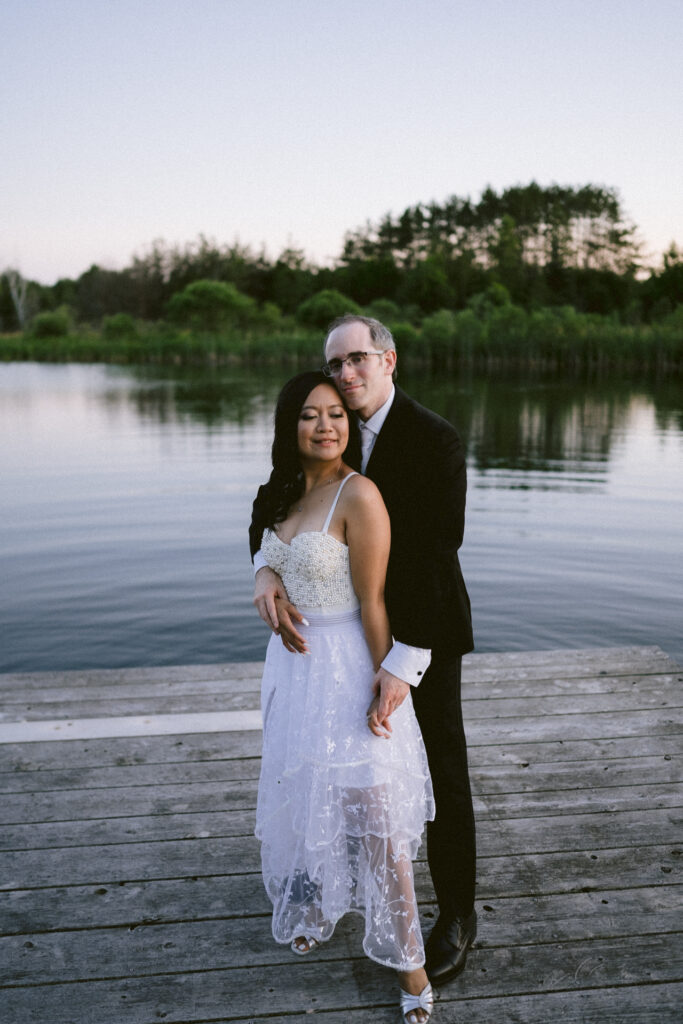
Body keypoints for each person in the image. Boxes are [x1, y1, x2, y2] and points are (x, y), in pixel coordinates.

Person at [251, 316, 477, 989]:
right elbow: (273, 512)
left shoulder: (433, 440)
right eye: (335, 363)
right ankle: (330, 884)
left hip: (419, 634)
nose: (345, 376)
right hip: (333, 640)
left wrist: (401, 666)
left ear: (388, 360)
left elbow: (438, 556)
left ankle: (458, 914)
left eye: (357, 361)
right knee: (333, 763)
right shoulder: (320, 429)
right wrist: (263, 575)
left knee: (437, 769)